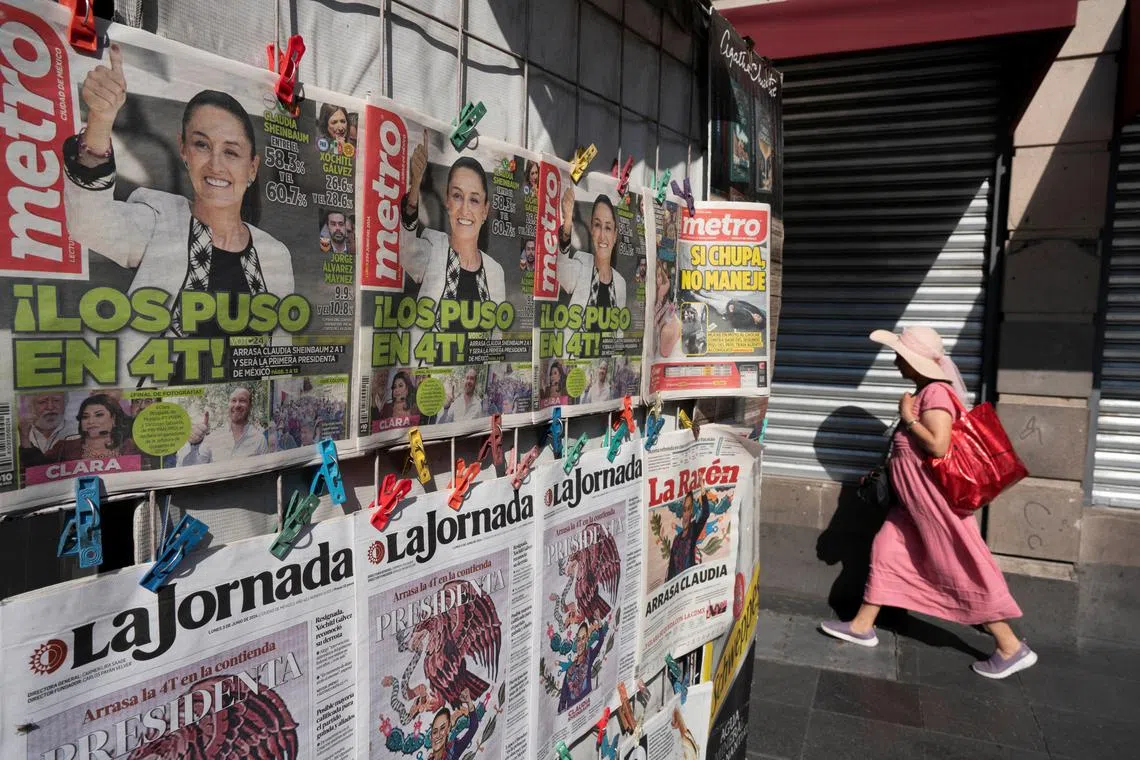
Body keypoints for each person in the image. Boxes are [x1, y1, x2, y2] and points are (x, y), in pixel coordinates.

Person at [64, 46, 294, 386]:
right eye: (202, 145)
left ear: (252, 167)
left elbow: (280, 359)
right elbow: (86, 221)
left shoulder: (275, 254)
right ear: (183, 149)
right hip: (157, 426)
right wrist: (100, 122)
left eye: (231, 152)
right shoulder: (159, 221)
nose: (216, 165)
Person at [819, 326, 1037, 680]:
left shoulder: (935, 393)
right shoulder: (925, 391)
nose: (894, 362)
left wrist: (908, 418)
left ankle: (1010, 646)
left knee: (956, 564)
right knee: (887, 550)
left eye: (899, 356)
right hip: (911, 504)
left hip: (931, 503)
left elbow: (938, 445)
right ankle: (862, 626)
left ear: (914, 360)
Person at [400, 135, 506, 356]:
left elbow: (495, 340)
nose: (465, 210)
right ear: (447, 202)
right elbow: (404, 251)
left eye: (474, 200)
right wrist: (414, 188)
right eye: (457, 196)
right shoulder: (433, 247)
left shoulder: (495, 272)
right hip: (426, 382)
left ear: (485, 210)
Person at [558, 191, 628, 320]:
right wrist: (567, 221)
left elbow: (619, 333)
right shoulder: (581, 263)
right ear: (591, 229)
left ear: (615, 235)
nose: (602, 236)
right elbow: (561, 273)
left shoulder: (620, 284)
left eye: (608, 228)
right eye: (597, 225)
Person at [179, 386, 267, 465]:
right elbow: (192, 468)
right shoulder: (214, 437)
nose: (237, 405)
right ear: (228, 404)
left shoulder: (259, 439)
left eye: (242, 401)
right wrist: (194, 446)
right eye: (233, 400)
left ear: (250, 406)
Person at [667, 488, 731, 580]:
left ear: (692, 511)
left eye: (689, 509)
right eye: (684, 509)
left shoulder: (693, 530)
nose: (686, 514)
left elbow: (705, 514)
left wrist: (703, 492)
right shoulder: (676, 540)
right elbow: (671, 571)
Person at [59, 394, 140, 460]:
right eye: (85, 417)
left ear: (114, 418)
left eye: (99, 415)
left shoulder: (130, 447)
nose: (90, 421)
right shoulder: (64, 448)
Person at [557, 620, 607, 713]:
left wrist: (599, 621)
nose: (580, 643)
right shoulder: (569, 669)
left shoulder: (589, 656)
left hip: (588, 711)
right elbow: (563, 699)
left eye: (583, 638)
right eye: (578, 639)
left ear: (587, 640)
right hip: (573, 717)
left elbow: (601, 641)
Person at [19, 392, 70, 468]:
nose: (50, 407)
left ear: (65, 404)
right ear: (31, 407)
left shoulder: (78, 430)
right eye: (42, 402)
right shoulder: (20, 432)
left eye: (56, 400)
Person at [427, 693, 483, 760]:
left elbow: (473, 727)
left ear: (447, 731)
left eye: (442, 728)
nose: (438, 735)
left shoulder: (453, 750)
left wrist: (469, 703)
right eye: (435, 732)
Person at [654, 260, 682, 358]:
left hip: (668, 317)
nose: (659, 281)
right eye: (656, 277)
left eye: (658, 276)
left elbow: (667, 284)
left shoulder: (663, 290)